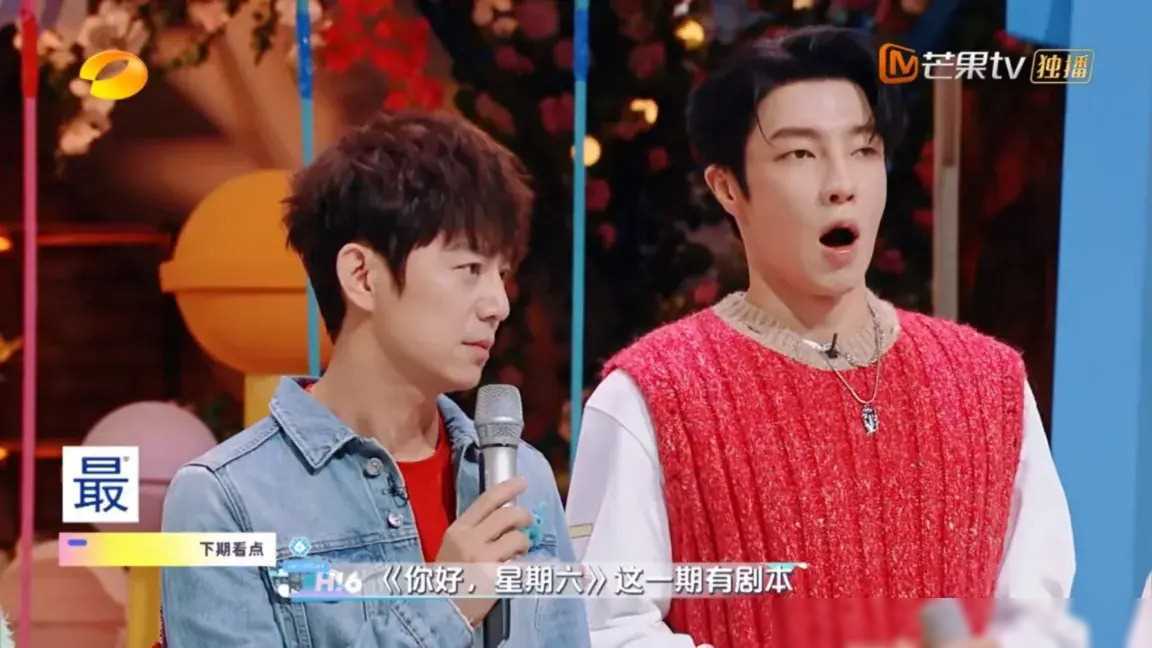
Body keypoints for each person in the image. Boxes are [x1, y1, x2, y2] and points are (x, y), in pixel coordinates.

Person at [565, 27, 1083, 648]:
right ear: (727, 187)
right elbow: (606, 627)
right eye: (800, 156)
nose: (841, 183)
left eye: (863, 150)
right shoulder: (650, 395)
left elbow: (1038, 611)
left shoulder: (987, 383)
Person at [161, 111, 589, 647]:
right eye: (470, 270)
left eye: (501, 274)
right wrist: (444, 607)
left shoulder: (520, 475)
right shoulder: (225, 500)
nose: (498, 305)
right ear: (362, 276)